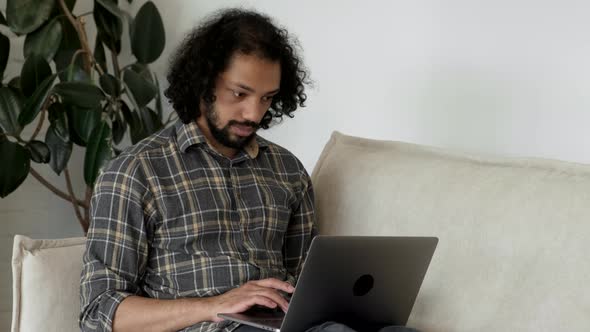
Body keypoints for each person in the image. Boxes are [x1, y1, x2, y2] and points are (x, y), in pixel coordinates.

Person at [80, 8, 419, 332]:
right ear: (204, 83)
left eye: (267, 98)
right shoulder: (135, 173)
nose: (253, 114)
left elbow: (306, 284)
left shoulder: (287, 172)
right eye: (239, 93)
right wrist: (216, 304)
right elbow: (99, 311)